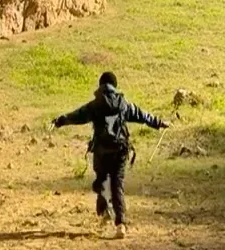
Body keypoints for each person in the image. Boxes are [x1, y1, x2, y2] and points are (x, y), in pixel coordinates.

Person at [52, 71, 168, 238]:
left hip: (101, 151)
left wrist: (60, 120)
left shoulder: (95, 105)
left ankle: (104, 210)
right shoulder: (123, 104)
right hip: (120, 150)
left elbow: (77, 116)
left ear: (100, 86)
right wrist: (159, 123)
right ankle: (120, 224)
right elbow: (141, 115)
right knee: (117, 185)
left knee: (101, 180)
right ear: (115, 86)